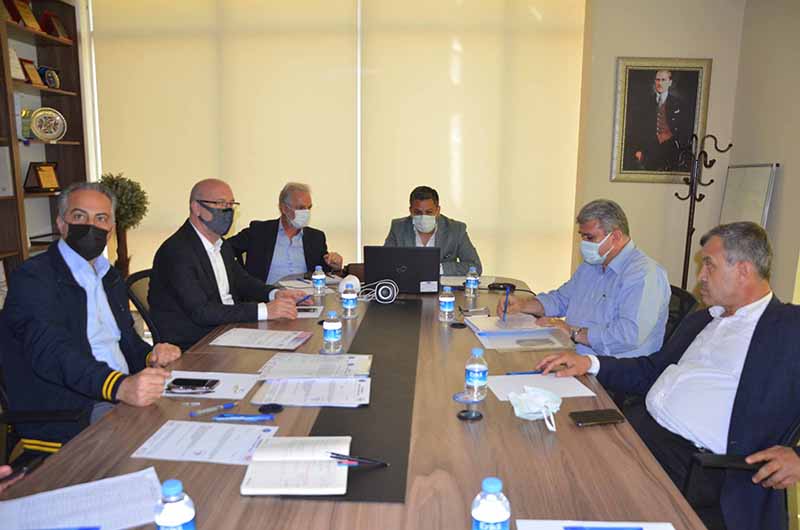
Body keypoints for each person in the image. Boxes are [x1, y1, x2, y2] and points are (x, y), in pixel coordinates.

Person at [537, 222, 800, 530]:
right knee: (546, 457)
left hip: (696, 467)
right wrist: (589, 363)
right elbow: (652, 370)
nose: (700, 277)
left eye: (709, 266)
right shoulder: (704, 319)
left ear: (743, 270)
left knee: (567, 490)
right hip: (639, 429)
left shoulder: (789, 328)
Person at [1, 182, 181, 456]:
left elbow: (126, 342)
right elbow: (52, 353)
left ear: (111, 228)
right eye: (79, 216)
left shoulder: (108, 276)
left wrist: (152, 356)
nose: (90, 226)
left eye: (101, 218)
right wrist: (119, 386)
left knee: (193, 416)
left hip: (118, 393)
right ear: (61, 224)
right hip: (73, 408)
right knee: (164, 450)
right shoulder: (34, 278)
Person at [498, 199, 669, 358]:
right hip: (574, 354)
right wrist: (523, 305)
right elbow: (561, 300)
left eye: (590, 237)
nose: (584, 243)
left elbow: (628, 336)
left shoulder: (644, 275)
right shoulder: (592, 265)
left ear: (615, 237)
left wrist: (573, 332)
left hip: (612, 368)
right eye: (582, 236)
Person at [149, 179, 306, 350]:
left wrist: (275, 294)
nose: (228, 210)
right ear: (196, 208)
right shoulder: (177, 251)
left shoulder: (221, 245)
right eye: (220, 203)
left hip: (229, 330)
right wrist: (264, 310)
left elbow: (242, 281)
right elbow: (202, 312)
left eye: (231, 204)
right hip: (195, 345)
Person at [228, 182, 343, 285]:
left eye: (309, 208)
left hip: (306, 297)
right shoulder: (259, 231)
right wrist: (240, 277)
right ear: (284, 208)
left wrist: (335, 267)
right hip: (268, 297)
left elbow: (324, 275)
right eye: (301, 208)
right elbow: (224, 248)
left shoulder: (316, 238)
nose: (306, 212)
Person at [384, 185, 482, 275]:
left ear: (438, 210)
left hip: (442, 286)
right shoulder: (398, 228)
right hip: (408, 284)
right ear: (410, 211)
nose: (423, 217)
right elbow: (384, 262)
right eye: (418, 212)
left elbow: (475, 267)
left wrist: (438, 268)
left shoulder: (456, 229)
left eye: (429, 212)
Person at [625, 69, 692, 172]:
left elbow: (684, 129)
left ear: (670, 82)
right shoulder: (644, 102)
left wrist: (681, 150)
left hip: (671, 148)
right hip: (649, 149)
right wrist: (638, 150)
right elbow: (637, 128)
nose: (660, 83)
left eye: (663, 80)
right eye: (657, 80)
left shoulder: (679, 103)